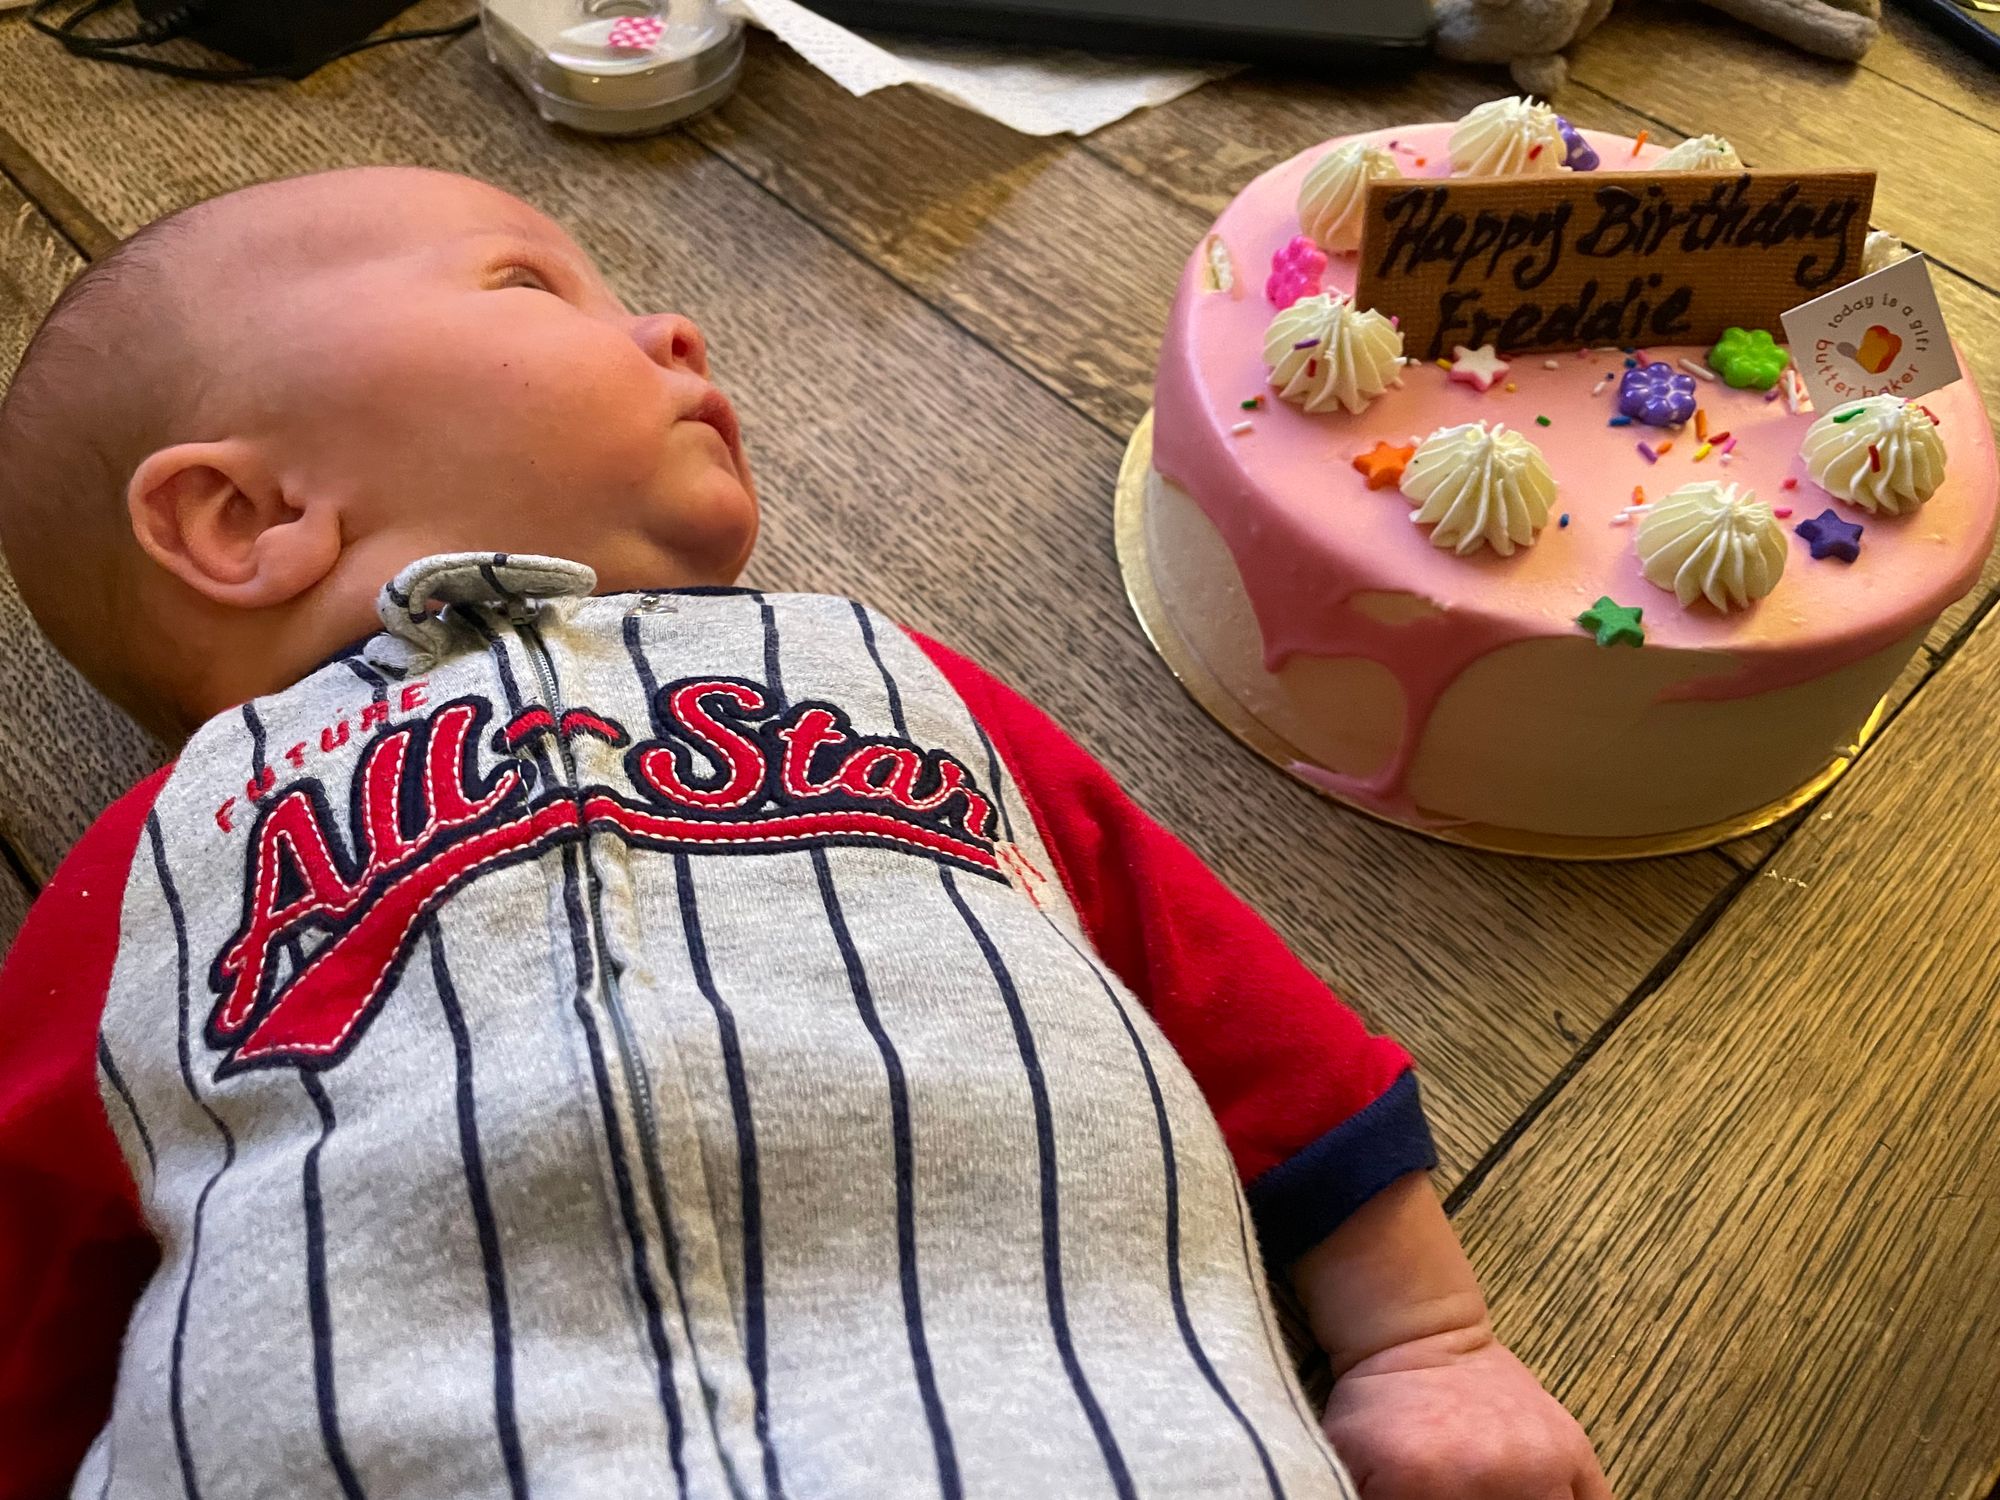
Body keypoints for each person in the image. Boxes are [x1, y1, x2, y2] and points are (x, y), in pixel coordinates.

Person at [0, 166, 1610, 1500]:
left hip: (1071, 1423)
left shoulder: (872, 669)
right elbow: (38, 1237)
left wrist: (1424, 1343)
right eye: (526, 286)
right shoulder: (153, 856)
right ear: (247, 520)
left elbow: (1188, 959)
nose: (671, 323)